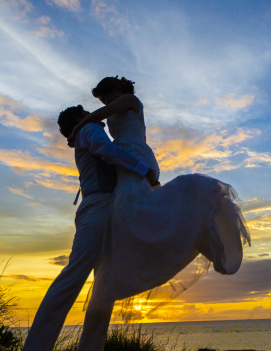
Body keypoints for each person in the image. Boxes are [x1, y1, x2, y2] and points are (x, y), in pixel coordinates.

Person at [7, 105, 158, 351]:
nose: (91, 112)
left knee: (106, 282)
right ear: (78, 120)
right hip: (97, 207)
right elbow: (108, 152)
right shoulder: (90, 130)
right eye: (84, 111)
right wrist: (145, 170)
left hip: (108, 208)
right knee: (73, 276)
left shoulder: (87, 129)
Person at [68, 76, 250, 305]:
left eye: (106, 97)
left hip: (134, 156)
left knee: (129, 208)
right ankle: (162, 242)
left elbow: (97, 117)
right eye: (102, 100)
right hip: (126, 159)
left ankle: (190, 227)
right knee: (125, 209)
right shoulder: (116, 107)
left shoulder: (130, 99)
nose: (105, 103)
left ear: (116, 89)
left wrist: (76, 129)